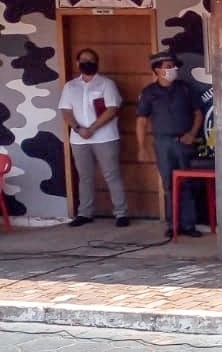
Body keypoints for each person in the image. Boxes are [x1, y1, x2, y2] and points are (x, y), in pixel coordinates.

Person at [58, 48, 128, 228]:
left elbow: (112, 109)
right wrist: (78, 128)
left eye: (91, 60)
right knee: (85, 177)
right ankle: (85, 213)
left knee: (112, 175)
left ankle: (121, 213)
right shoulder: (70, 86)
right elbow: (65, 110)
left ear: (97, 63)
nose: (87, 63)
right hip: (79, 138)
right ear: (77, 63)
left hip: (105, 137)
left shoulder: (106, 84)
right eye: (83, 60)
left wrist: (92, 129)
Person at [136, 51, 202, 239]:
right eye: (167, 67)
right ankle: (172, 224)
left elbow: (198, 113)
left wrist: (192, 134)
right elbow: (141, 120)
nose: (172, 70)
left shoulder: (185, 89)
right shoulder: (149, 92)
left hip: (184, 141)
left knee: (187, 183)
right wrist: (141, 147)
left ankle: (189, 225)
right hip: (162, 142)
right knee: (168, 184)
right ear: (157, 70)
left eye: (174, 66)